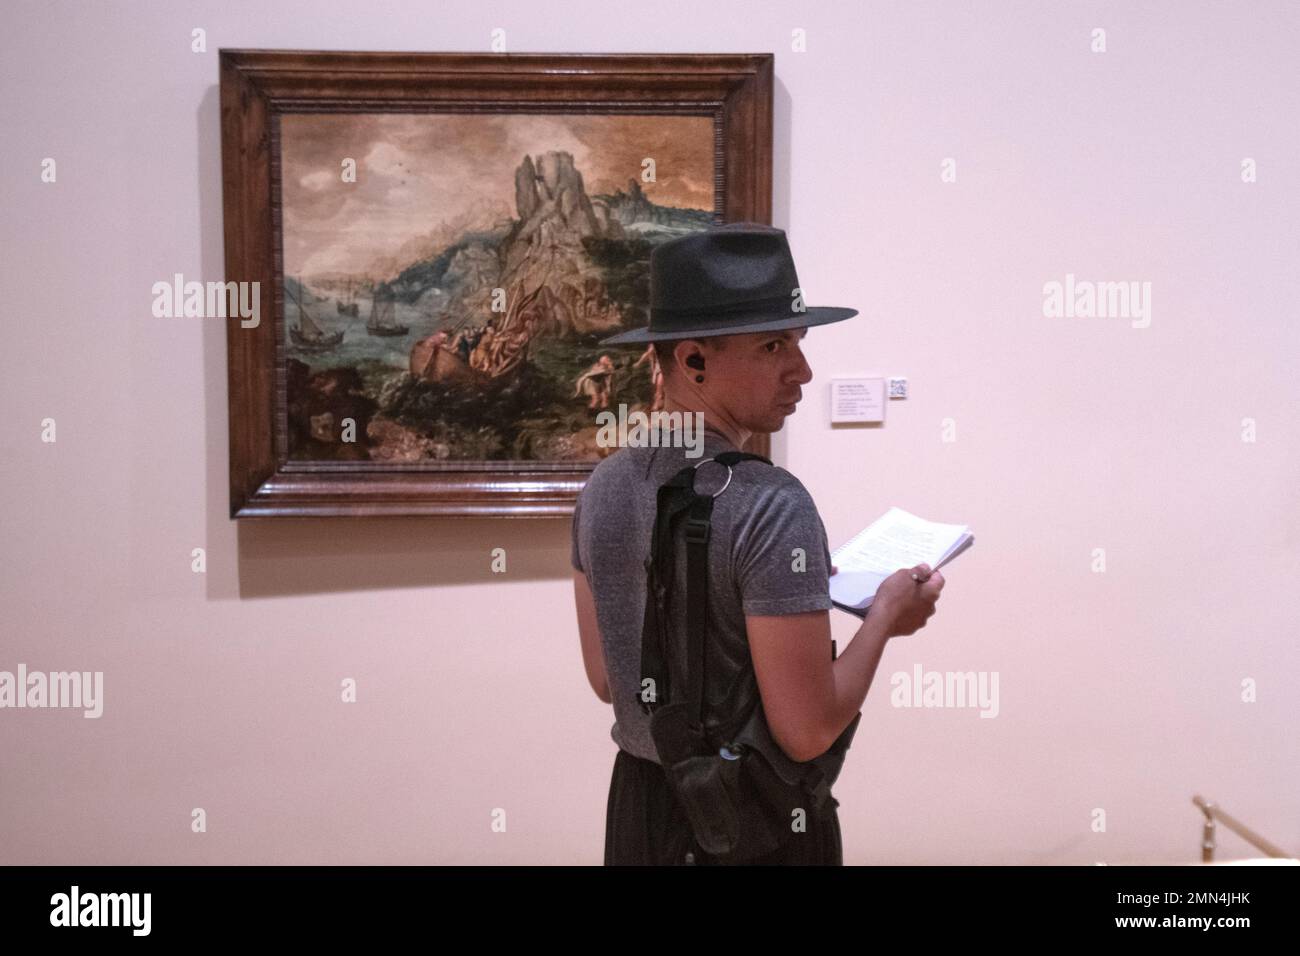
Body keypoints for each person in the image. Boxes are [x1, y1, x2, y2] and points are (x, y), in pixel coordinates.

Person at [570, 223, 946, 865]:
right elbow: (805, 733)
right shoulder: (772, 504)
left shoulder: (601, 487)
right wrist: (884, 618)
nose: (802, 369)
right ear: (692, 360)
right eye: (774, 346)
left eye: (798, 341)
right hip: (747, 826)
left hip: (641, 811)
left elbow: (610, 680)